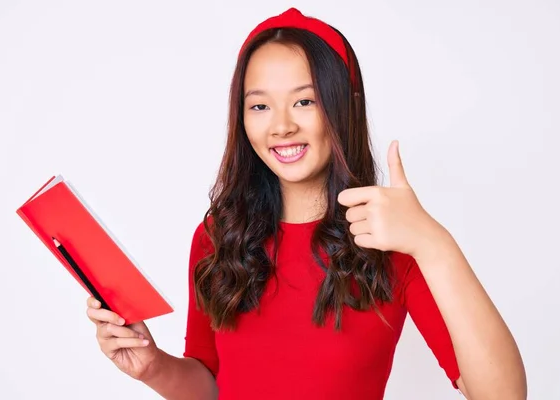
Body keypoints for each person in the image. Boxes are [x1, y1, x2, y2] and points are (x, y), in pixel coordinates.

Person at [85, 7, 527, 400]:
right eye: (259, 106)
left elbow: (503, 395)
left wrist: (433, 242)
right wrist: (152, 366)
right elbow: (212, 385)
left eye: (305, 101)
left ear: (343, 108)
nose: (281, 126)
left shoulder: (391, 243)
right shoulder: (217, 238)